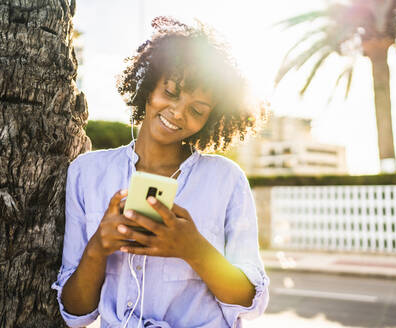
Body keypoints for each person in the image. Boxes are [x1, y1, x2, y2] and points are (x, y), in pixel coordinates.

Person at [52, 16, 270, 328]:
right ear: (149, 85)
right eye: (170, 91)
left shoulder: (226, 179)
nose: (178, 112)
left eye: (197, 110)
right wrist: (99, 246)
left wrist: (192, 248)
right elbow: (75, 314)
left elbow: (250, 302)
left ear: (211, 120)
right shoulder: (87, 173)